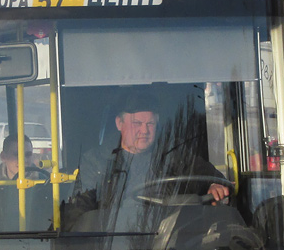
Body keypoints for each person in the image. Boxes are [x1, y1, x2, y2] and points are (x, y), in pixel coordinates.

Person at [63, 92, 229, 238]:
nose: (145, 130)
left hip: (170, 243)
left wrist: (214, 184)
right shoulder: (96, 162)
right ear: (119, 123)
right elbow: (77, 212)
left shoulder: (174, 154)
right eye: (137, 123)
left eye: (150, 124)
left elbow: (210, 177)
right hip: (113, 246)